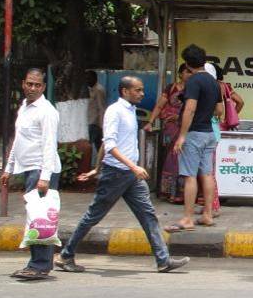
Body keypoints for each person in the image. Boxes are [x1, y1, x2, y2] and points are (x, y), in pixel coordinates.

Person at [56, 77, 189, 273]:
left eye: (142, 90)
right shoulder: (115, 111)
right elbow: (110, 144)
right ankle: (66, 255)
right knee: (93, 216)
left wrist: (97, 168)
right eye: (138, 90)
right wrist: (128, 167)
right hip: (117, 174)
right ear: (125, 91)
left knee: (148, 215)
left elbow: (106, 142)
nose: (142, 93)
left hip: (129, 174)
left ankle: (163, 259)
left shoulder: (129, 111)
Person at [1, 68, 61, 281]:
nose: (33, 88)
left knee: (39, 219)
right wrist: (8, 168)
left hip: (41, 169)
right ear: (23, 84)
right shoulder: (25, 108)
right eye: (29, 84)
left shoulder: (46, 111)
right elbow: (18, 140)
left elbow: (48, 145)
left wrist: (44, 177)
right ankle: (38, 263)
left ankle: (39, 265)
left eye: (37, 85)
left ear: (44, 87)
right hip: (29, 169)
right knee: (36, 217)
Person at [166, 44, 222, 232]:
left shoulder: (193, 82)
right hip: (209, 133)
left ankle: (188, 218)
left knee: (190, 176)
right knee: (207, 174)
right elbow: (219, 109)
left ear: (188, 64)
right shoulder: (214, 82)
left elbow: (189, 108)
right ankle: (207, 214)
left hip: (195, 133)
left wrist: (182, 136)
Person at [145, 64, 190, 202]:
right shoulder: (171, 88)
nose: (189, 74)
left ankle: (182, 194)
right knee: (171, 158)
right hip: (171, 128)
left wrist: (180, 117)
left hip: (186, 127)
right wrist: (150, 122)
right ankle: (169, 192)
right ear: (180, 73)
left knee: (184, 159)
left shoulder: (194, 89)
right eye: (186, 72)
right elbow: (159, 106)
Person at [216, 67, 244, 131]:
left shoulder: (209, 85)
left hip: (211, 126)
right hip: (224, 126)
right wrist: (230, 118)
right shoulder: (226, 86)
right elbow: (240, 102)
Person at [86, 70, 106, 152]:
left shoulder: (98, 90)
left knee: (89, 145)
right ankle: (100, 163)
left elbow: (101, 107)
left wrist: (101, 125)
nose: (87, 80)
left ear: (95, 78)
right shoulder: (90, 89)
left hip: (94, 123)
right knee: (99, 146)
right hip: (91, 121)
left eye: (89, 78)